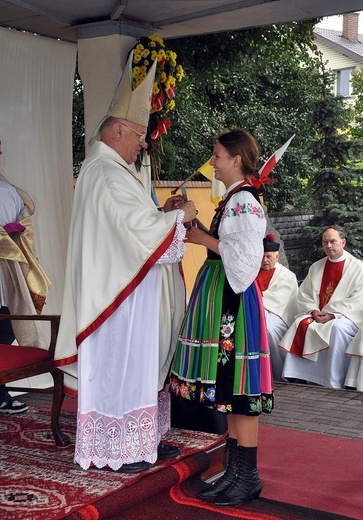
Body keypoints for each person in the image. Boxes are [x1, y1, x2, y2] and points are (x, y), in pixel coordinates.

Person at [54, 53, 197, 473]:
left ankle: (142, 439)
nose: (143, 143)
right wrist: (180, 216)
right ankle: (118, 448)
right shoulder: (104, 172)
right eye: (139, 135)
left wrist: (162, 215)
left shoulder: (115, 169)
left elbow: (133, 227)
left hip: (129, 293)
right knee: (121, 370)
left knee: (138, 368)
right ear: (117, 129)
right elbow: (133, 231)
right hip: (116, 301)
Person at [170, 128, 273, 507]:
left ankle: (248, 477)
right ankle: (235, 472)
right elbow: (231, 248)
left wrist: (204, 240)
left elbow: (246, 262)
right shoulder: (234, 199)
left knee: (238, 387)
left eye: (217, 155)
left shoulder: (244, 201)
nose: (212, 161)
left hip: (234, 299)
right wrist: (197, 231)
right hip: (223, 295)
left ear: (237, 158)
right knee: (228, 388)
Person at [0, 139, 51, 413]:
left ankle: (1, 394)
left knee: (6, 323)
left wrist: (12, 232)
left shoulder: (8, 191)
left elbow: (22, 228)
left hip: (5, 269)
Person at [279, 225, 363, 389]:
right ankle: (298, 375)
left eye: (333, 241)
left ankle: (334, 379)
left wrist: (333, 314)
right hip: (318, 313)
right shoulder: (316, 266)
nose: (329, 246)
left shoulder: (358, 268)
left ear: (343, 242)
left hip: (345, 316)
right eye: (325, 242)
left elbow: (359, 299)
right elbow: (304, 294)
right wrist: (313, 310)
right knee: (300, 323)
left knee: (337, 328)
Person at [255, 234, 298, 381]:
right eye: (261, 256)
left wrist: (262, 306)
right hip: (253, 310)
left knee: (269, 330)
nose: (265, 260)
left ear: (277, 257)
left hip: (277, 315)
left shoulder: (287, 276)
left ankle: (278, 374)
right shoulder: (250, 273)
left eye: (268, 257)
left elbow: (284, 301)